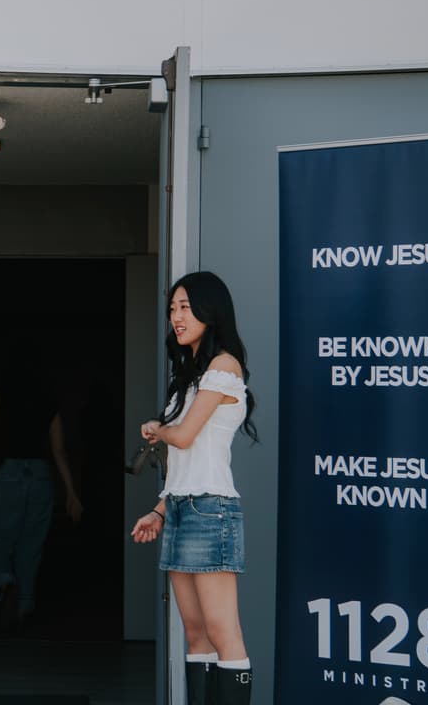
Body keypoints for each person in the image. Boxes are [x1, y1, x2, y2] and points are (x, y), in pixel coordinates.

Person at [129, 271, 257, 705]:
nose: (176, 317)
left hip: (212, 509)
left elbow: (182, 438)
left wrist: (157, 428)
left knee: (224, 633)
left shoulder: (224, 367)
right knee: (196, 633)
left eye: (185, 307)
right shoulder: (190, 378)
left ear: (210, 310)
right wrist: (158, 511)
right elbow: (186, 462)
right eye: (172, 309)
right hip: (182, 508)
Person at [0, 345, 83, 630]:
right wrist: (72, 494)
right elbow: (59, 451)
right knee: (31, 545)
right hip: (40, 474)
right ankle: (25, 605)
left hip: (8, 471)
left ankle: (3, 581)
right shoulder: (49, 401)